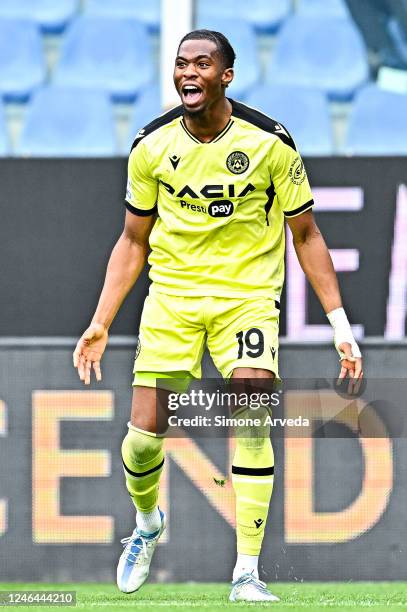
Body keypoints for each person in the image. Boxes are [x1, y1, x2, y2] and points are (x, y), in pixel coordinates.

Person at [73, 29, 363, 603]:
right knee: (141, 443)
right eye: (181, 64)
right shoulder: (151, 147)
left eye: (201, 64)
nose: (188, 73)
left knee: (251, 418)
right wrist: (102, 320)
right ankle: (149, 523)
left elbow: (305, 233)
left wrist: (339, 325)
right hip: (172, 301)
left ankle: (246, 572)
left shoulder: (271, 144)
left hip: (247, 300)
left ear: (225, 76)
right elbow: (133, 240)